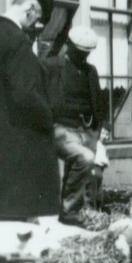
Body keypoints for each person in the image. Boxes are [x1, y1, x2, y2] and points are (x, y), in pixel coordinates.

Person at [0, 0, 60, 220]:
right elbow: (25, 96)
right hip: (21, 152)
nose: (36, 25)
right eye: (37, 18)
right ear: (29, 9)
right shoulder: (17, 41)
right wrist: (49, 117)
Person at [46, 26, 109, 222]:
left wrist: (99, 131)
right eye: (80, 52)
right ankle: (69, 210)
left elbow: (98, 103)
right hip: (61, 127)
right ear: (69, 46)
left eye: (86, 53)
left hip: (87, 128)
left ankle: (89, 213)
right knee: (85, 158)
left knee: (94, 171)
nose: (83, 57)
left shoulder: (90, 71)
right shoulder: (53, 67)